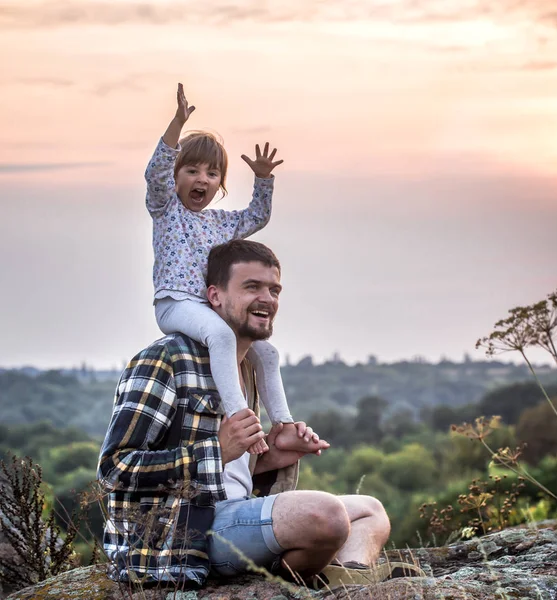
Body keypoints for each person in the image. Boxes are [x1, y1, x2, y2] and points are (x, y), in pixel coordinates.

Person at [98, 240, 424, 589]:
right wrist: (217, 450)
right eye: (251, 287)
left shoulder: (249, 366)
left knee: (370, 510)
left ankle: (348, 581)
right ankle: (329, 580)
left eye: (274, 289)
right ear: (215, 296)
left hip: (234, 518)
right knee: (326, 515)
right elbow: (114, 470)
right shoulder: (167, 359)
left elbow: (234, 475)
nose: (267, 299)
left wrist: (272, 456)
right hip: (181, 535)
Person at [146, 83, 298, 454]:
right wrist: (177, 124)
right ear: (176, 177)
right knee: (223, 337)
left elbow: (258, 215)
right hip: (176, 304)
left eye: (212, 174)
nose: (202, 180)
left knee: (268, 353)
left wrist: (264, 177)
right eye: (192, 171)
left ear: (220, 184)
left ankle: (284, 425)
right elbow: (155, 173)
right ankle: (240, 420)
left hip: (210, 307)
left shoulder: (220, 223)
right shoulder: (167, 210)